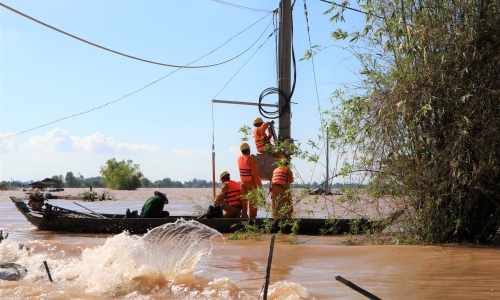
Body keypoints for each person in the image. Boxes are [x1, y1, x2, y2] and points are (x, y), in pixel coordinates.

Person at [238, 142, 263, 219]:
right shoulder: (252, 160)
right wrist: (260, 184)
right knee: (253, 203)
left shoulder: (239, 159)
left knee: (244, 202)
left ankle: (244, 217)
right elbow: (255, 175)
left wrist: (250, 157)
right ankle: (253, 218)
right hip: (251, 184)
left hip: (242, 184)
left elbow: (245, 159)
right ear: (248, 150)